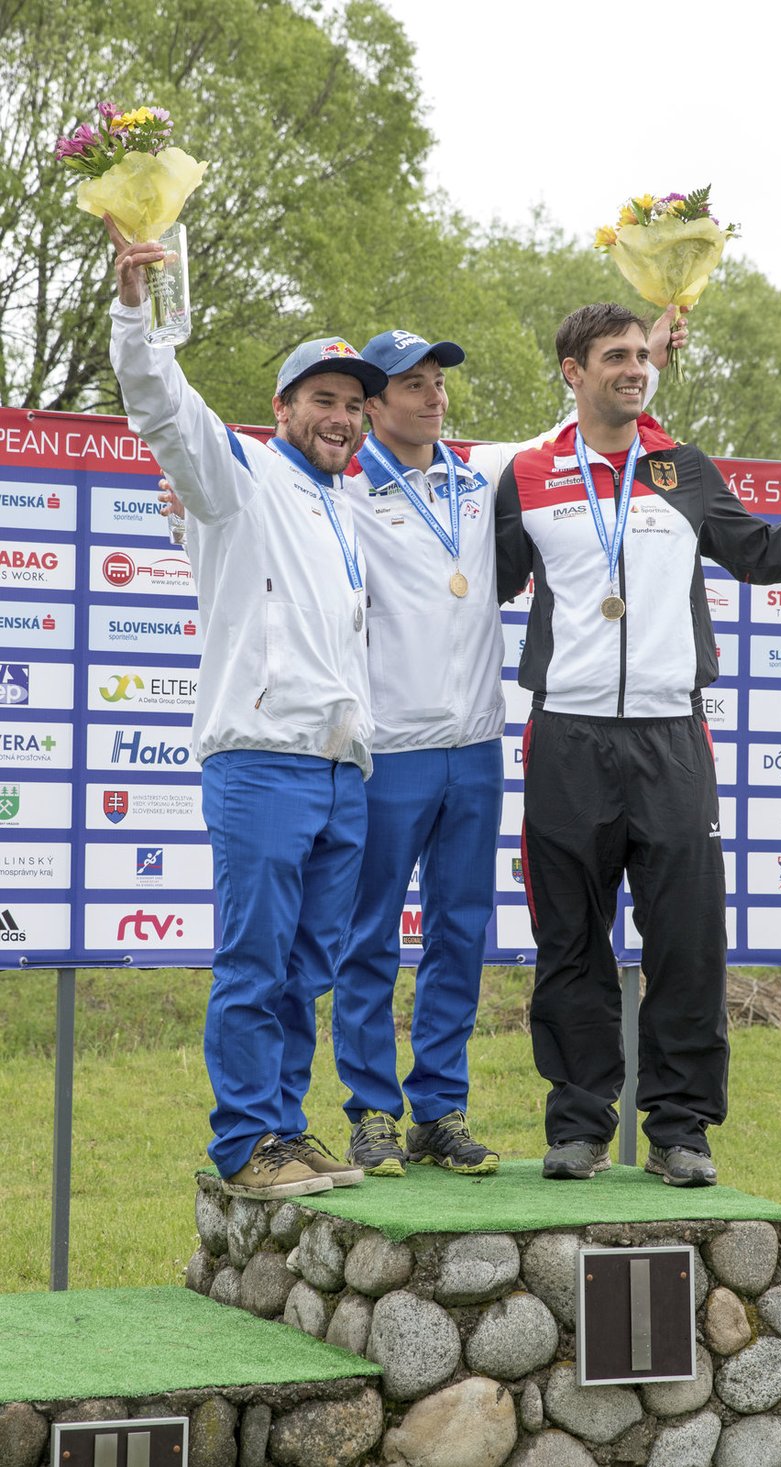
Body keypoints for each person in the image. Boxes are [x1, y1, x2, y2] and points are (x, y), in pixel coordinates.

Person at [494, 302, 781, 1185]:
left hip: (672, 736)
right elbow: (483, 582)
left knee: (688, 940)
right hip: (568, 736)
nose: (635, 367)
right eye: (615, 356)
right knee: (571, 942)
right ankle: (580, 1124)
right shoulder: (529, 475)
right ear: (572, 371)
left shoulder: (683, 470)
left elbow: (765, 554)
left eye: (643, 354)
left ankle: (680, 1130)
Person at [333, 314, 688, 1178]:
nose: (434, 396)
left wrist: (656, 350)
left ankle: (440, 1110)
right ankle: (373, 1110)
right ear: (373, 404)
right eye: (414, 384)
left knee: (461, 934)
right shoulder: (340, 488)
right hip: (389, 748)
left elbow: (577, 426)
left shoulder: (480, 475)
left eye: (440, 381)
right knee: (371, 936)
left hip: (474, 747)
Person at [105, 216, 387, 1199]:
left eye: (355, 405)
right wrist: (137, 308)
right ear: (283, 406)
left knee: (306, 968)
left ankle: (284, 1127)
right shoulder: (238, 478)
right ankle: (243, 1145)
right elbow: (158, 401)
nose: (342, 418)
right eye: (324, 399)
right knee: (257, 959)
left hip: (336, 765)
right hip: (260, 758)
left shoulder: (341, 506)